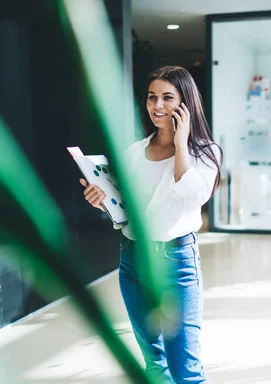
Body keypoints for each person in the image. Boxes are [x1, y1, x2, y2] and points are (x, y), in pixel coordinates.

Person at [80, 66, 221, 383]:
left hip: (176, 262)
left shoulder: (206, 153)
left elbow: (191, 197)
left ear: (186, 104)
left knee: (186, 368)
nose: (157, 106)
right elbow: (130, 212)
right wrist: (102, 199)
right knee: (154, 362)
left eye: (168, 98)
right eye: (152, 97)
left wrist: (181, 144)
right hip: (132, 259)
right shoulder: (134, 152)